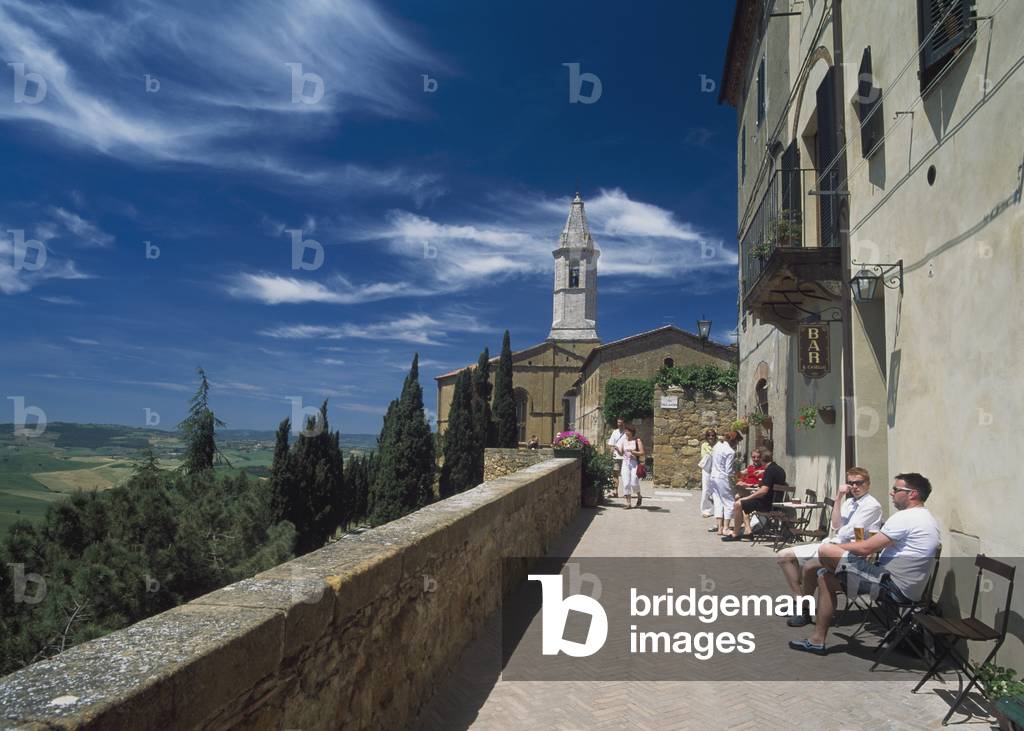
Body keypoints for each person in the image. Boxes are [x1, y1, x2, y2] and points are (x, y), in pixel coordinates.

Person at [789, 473, 941, 655]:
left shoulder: (906, 517)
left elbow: (865, 549)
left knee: (825, 551)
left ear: (913, 494)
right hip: (903, 587)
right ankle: (816, 640)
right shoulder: (926, 518)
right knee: (825, 578)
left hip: (891, 587)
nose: (891, 493)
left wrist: (835, 548)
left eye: (896, 489)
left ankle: (811, 605)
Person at [777, 467, 883, 625]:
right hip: (834, 543)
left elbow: (845, 530)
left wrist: (840, 528)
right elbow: (835, 525)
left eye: (859, 483)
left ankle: (804, 610)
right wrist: (839, 497)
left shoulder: (872, 505)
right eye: (851, 483)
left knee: (809, 568)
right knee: (783, 556)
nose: (854, 486)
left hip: (849, 550)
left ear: (867, 484)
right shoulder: (848, 502)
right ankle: (800, 601)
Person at [725, 447, 785, 541]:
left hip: (767, 504)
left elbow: (764, 490)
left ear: (762, 459)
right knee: (744, 506)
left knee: (738, 504)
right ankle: (748, 532)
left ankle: (735, 534)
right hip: (776, 503)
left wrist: (748, 497)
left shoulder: (769, 471)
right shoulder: (779, 469)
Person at [708, 430, 742, 535]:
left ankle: (720, 527)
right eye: (737, 442)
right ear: (734, 441)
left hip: (713, 477)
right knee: (729, 502)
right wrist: (738, 475)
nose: (737, 445)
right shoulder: (730, 452)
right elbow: (728, 471)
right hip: (722, 478)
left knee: (718, 501)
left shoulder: (717, 447)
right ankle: (726, 528)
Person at [615, 425, 645, 509]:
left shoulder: (637, 441)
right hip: (625, 463)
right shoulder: (623, 441)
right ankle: (628, 503)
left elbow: (642, 452)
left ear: (631, 432)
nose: (625, 432)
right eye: (625, 431)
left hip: (634, 463)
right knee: (626, 483)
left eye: (627, 431)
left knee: (634, 482)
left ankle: (639, 496)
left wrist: (633, 452)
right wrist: (617, 449)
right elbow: (621, 453)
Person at [698, 429, 717, 517]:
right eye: (709, 435)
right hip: (707, 470)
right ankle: (706, 510)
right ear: (706, 437)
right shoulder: (704, 445)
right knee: (706, 490)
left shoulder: (718, 445)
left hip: (717, 470)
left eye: (712, 435)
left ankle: (718, 510)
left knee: (717, 490)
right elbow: (703, 456)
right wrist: (712, 454)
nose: (711, 437)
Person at [607, 418, 626, 497]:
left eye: (621, 423)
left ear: (623, 423)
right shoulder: (614, 432)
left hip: (625, 457)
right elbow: (611, 444)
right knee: (615, 474)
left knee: (626, 475)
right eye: (618, 422)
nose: (619, 424)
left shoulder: (626, 433)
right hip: (616, 456)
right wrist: (610, 454)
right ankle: (615, 491)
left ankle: (626, 493)